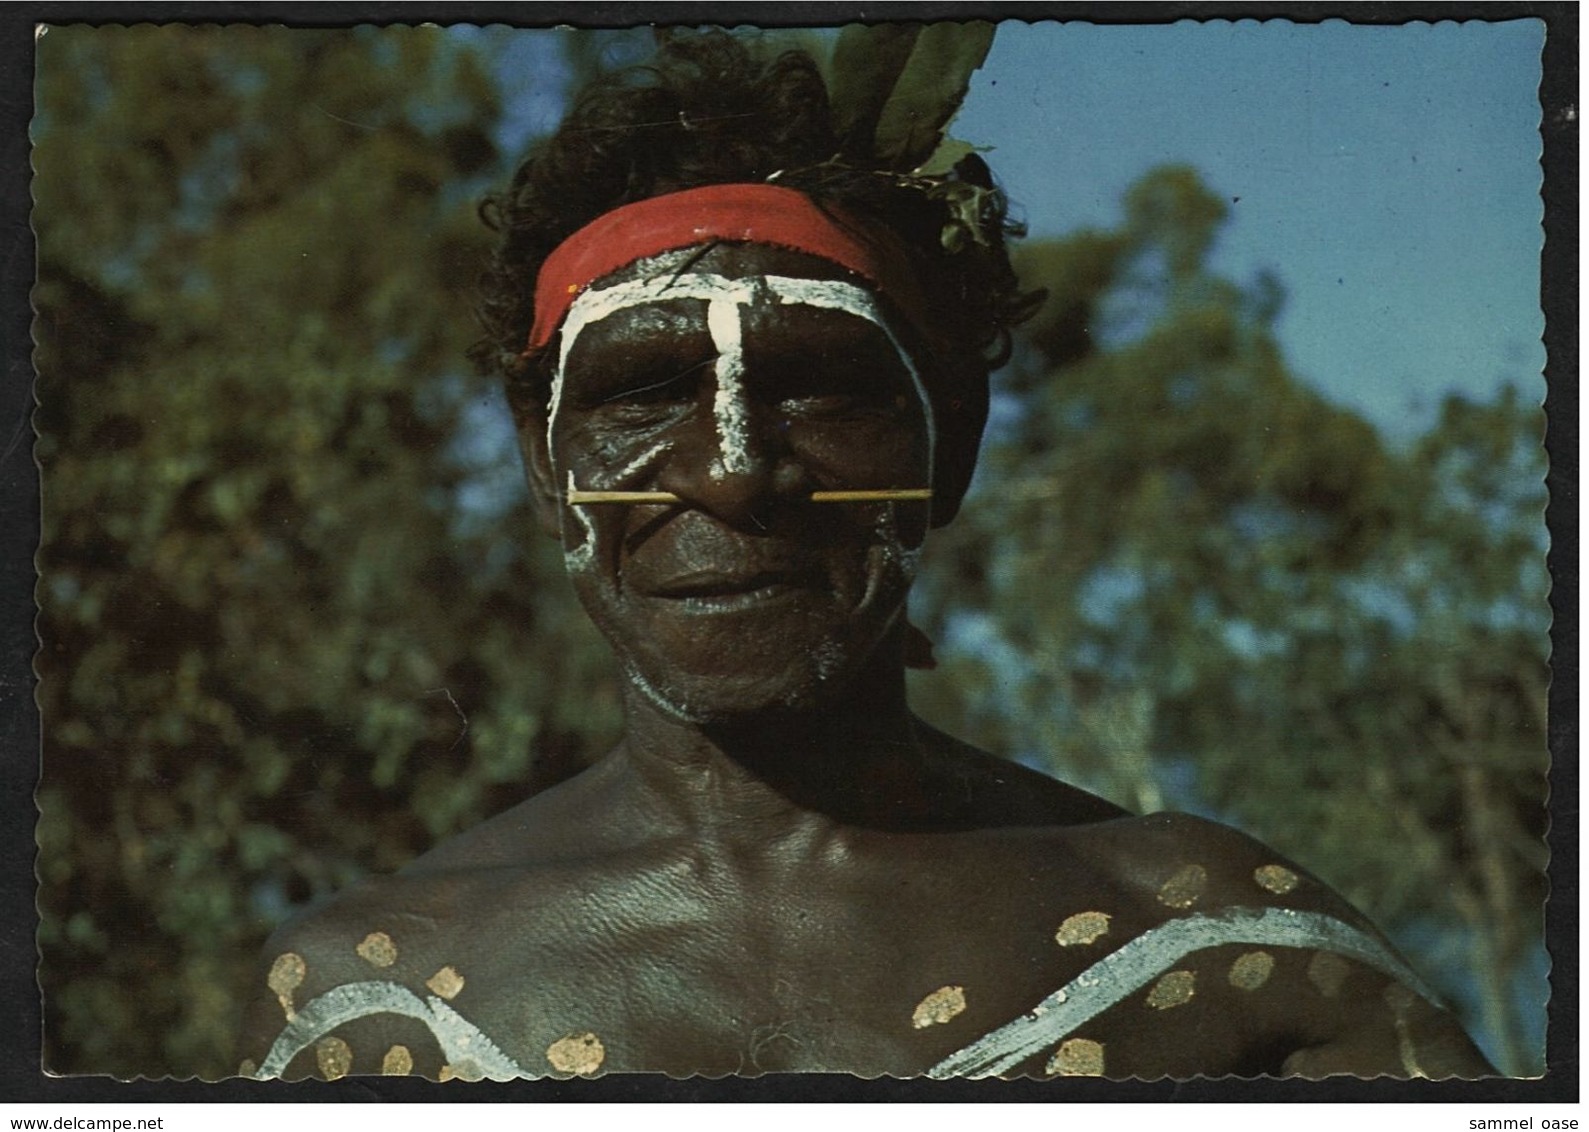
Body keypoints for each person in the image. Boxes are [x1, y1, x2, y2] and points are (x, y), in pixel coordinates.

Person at [239, 32, 1492, 1081]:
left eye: (818, 389)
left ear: (949, 443)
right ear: (542, 460)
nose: (730, 469)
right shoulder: (366, 1013)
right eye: (644, 391)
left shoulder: (1215, 955)